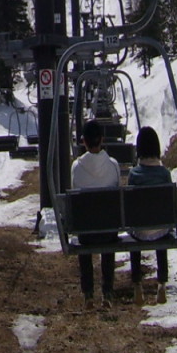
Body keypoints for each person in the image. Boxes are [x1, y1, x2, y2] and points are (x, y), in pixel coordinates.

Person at [71, 119, 120, 308]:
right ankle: (107, 290)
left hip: (86, 233)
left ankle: (88, 292)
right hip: (109, 232)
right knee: (107, 227)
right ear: (102, 140)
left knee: (86, 223)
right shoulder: (113, 165)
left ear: (83, 141)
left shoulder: (77, 167)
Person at [128, 126, 173, 304]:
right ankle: (161, 283)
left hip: (140, 230)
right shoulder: (164, 174)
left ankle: (137, 284)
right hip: (161, 228)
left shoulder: (134, 175)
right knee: (161, 227)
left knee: (136, 235)